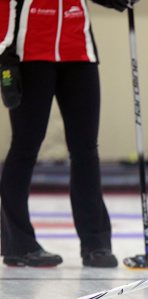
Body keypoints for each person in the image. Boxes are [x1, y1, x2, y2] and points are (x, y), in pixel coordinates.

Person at [0, 0, 138, 268]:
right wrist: (4, 53)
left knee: (86, 149)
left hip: (79, 51)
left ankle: (95, 243)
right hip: (30, 52)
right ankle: (18, 243)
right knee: (25, 146)